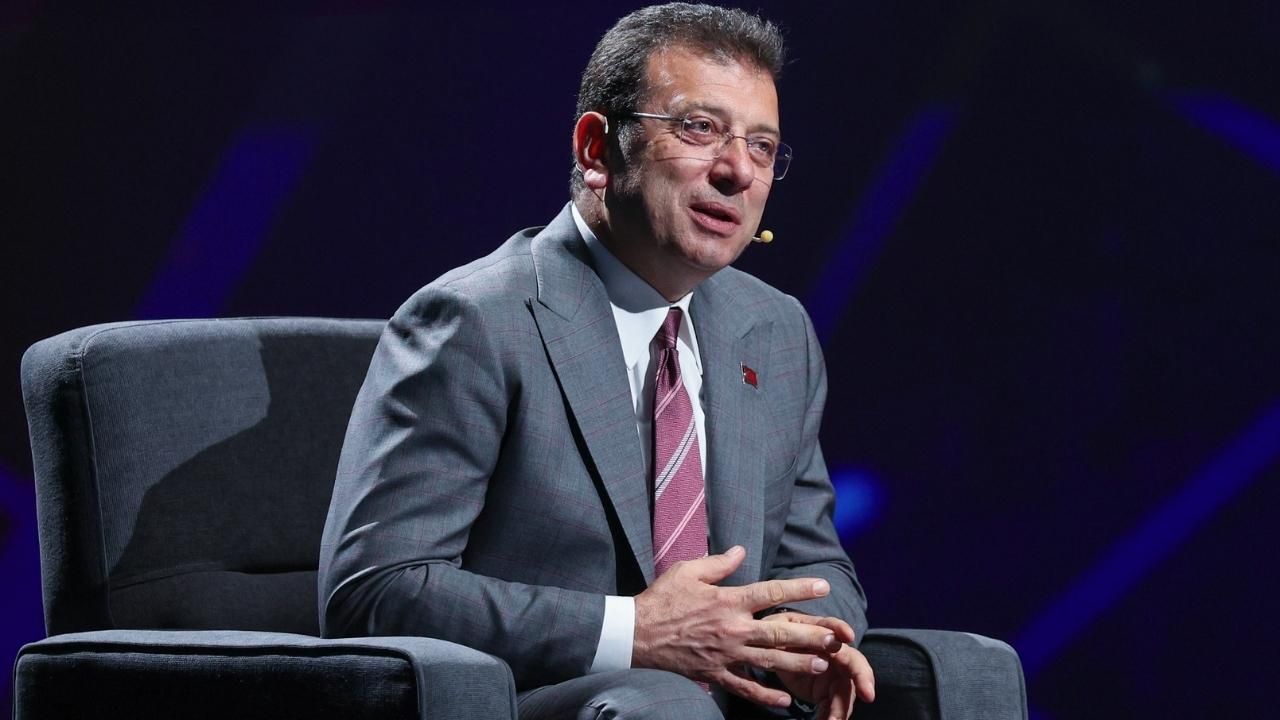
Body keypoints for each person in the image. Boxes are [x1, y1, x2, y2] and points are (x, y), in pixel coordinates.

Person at [319, 4, 875, 718]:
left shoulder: (775, 330)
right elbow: (374, 592)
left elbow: (816, 562)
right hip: (552, 698)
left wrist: (801, 639)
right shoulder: (478, 321)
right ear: (596, 148)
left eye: (762, 146)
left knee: (969, 668)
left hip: (733, 699)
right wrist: (635, 632)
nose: (738, 170)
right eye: (699, 128)